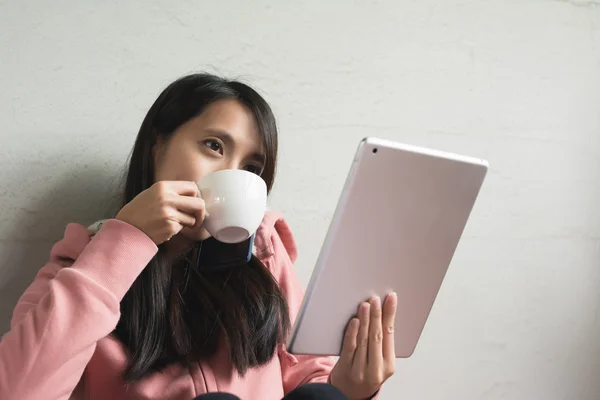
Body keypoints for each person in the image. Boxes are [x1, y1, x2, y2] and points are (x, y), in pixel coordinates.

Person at [0, 73, 397, 400]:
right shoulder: (80, 269)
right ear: (158, 144)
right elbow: (19, 392)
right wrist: (125, 242)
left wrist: (352, 387)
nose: (231, 174)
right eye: (214, 145)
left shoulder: (264, 256)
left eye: (251, 167)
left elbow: (309, 374)